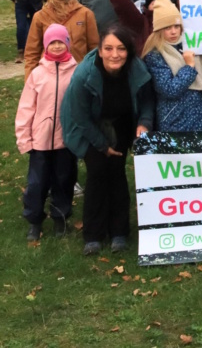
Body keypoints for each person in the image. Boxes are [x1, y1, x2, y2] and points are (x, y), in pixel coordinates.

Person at [61, 25, 155, 255]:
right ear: (100, 50)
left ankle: (119, 232)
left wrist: (144, 122)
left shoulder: (136, 69)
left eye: (121, 49)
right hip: (88, 127)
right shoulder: (84, 74)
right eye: (109, 48)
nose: (115, 54)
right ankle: (93, 234)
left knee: (117, 172)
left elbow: (147, 100)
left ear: (129, 51)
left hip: (121, 123)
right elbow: (79, 116)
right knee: (97, 173)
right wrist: (102, 146)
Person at [16, 24, 79, 240]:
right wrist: (24, 138)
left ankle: (60, 217)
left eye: (61, 41)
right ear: (46, 45)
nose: (57, 45)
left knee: (64, 180)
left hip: (66, 140)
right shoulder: (38, 73)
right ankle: (34, 220)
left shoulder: (76, 71)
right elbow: (26, 108)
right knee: (37, 183)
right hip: (40, 141)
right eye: (52, 42)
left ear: (68, 43)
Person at [141, 0, 202, 132]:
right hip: (176, 120)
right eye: (167, 28)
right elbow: (170, 89)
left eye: (176, 26)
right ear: (159, 30)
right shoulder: (155, 55)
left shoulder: (190, 42)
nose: (173, 32)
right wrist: (189, 67)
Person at [23, 0, 100, 79]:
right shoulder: (40, 16)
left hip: (78, 74)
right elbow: (32, 52)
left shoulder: (86, 14)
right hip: (47, 76)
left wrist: (93, 76)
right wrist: (29, 81)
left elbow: (94, 49)